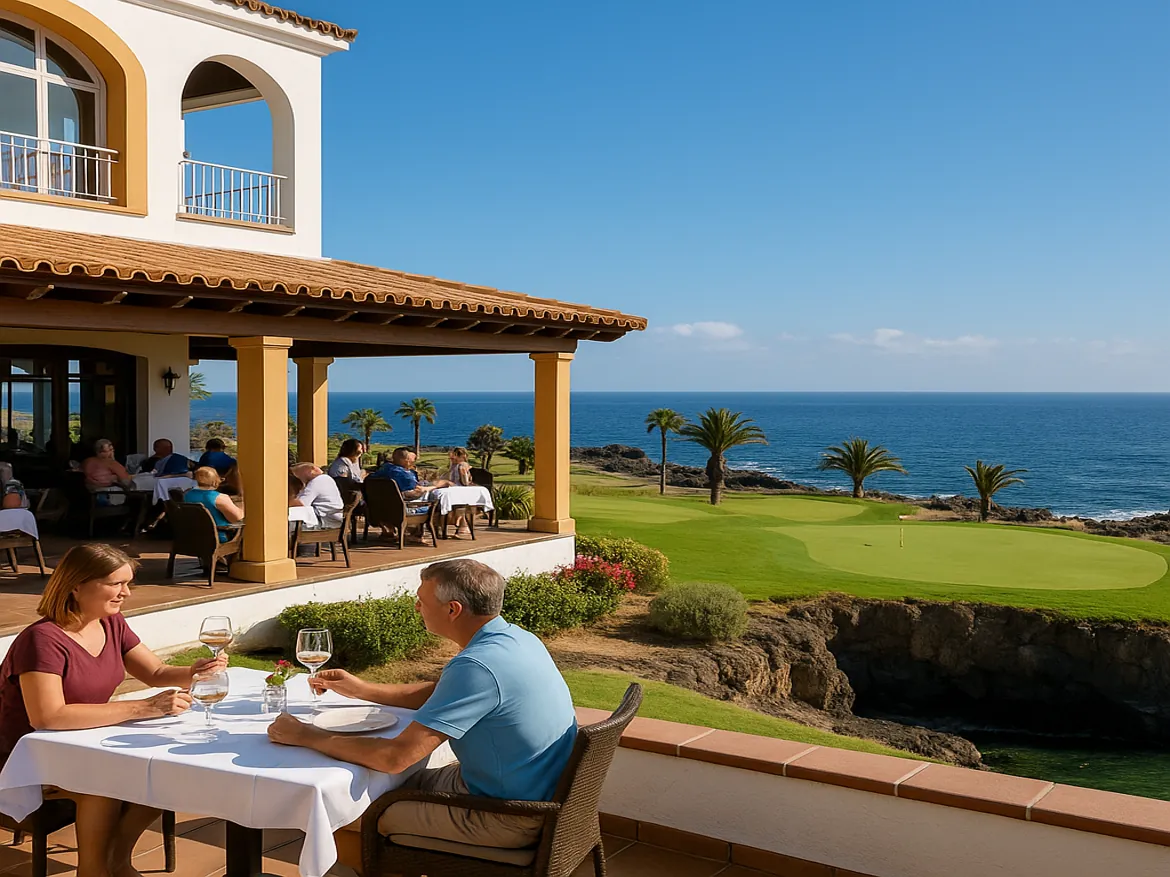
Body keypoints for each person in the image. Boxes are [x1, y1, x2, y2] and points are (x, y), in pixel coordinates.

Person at [268, 559, 577, 870]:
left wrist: (305, 735)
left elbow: (394, 758)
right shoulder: (517, 640)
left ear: (453, 610)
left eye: (422, 600)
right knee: (378, 789)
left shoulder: (477, 666)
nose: (417, 607)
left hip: (507, 815)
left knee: (347, 809)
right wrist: (362, 690)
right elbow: (439, 694)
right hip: (536, 794)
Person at [0, 544, 227, 877]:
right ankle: (93, 870)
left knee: (168, 772)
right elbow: (47, 717)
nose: (126, 593)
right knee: (104, 782)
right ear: (76, 585)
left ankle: (116, 862)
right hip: (27, 754)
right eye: (116, 583)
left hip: (85, 740)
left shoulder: (111, 623)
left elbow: (155, 672)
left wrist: (195, 672)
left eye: (128, 583)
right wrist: (144, 707)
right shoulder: (43, 640)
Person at [184, 467, 244, 542]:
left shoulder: (186, 495)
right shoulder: (219, 498)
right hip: (219, 537)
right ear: (215, 480)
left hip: (193, 536)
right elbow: (236, 518)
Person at [369, 447, 452, 499]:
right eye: (413, 459)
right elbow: (414, 493)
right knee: (443, 491)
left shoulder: (384, 469)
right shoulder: (405, 475)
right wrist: (430, 488)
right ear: (406, 460)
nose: (414, 462)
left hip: (379, 505)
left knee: (442, 482)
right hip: (406, 507)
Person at [290, 463, 345, 529]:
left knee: (284, 522)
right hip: (329, 520)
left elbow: (302, 504)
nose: (296, 478)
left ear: (312, 470)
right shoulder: (325, 479)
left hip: (325, 522)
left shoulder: (319, 480)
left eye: (296, 474)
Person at [81, 439, 133, 505]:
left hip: (89, 496)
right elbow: (126, 482)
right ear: (99, 452)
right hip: (105, 496)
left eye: (113, 449)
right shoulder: (111, 463)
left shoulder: (86, 462)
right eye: (110, 450)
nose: (113, 452)